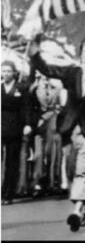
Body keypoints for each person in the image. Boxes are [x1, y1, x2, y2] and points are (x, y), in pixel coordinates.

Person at [28, 35, 85, 231]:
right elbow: (47, 69)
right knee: (72, 171)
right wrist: (34, 51)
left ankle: (76, 211)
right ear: (81, 54)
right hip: (68, 127)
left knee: (82, 169)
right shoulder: (71, 71)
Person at [2, 60, 33, 205]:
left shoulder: (21, 88)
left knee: (12, 161)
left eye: (9, 71)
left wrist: (27, 124)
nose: (6, 74)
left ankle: (8, 193)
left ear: (14, 72)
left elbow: (26, 107)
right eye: (3, 71)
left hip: (15, 128)